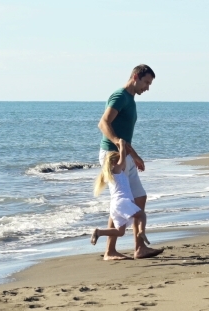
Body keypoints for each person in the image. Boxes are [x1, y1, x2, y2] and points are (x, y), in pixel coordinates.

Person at [97, 64, 163, 260]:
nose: (147, 87)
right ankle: (109, 251)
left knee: (140, 197)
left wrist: (134, 155)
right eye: (146, 82)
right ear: (135, 77)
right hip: (113, 155)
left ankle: (139, 248)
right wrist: (118, 143)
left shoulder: (130, 99)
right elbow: (103, 123)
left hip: (124, 154)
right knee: (120, 202)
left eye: (149, 84)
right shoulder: (120, 96)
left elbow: (124, 134)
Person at [90, 139, 146, 246]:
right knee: (141, 215)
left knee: (120, 232)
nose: (124, 163)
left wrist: (125, 150)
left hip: (115, 205)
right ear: (115, 162)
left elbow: (123, 157)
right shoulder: (116, 170)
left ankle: (99, 232)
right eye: (120, 160)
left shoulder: (110, 174)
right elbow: (122, 157)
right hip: (122, 202)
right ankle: (141, 232)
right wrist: (121, 144)